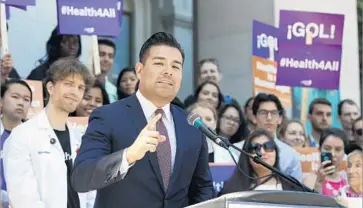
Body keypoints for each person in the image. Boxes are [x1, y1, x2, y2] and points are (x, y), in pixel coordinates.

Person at [71, 32, 214, 208]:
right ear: (139, 70)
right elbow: (81, 177)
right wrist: (128, 155)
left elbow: (202, 188)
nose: (168, 71)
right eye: (159, 63)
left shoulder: (191, 124)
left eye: (176, 67)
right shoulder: (108, 116)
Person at [3, 58, 94, 208]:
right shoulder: (22, 136)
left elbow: (90, 193)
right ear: (50, 87)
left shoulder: (81, 137)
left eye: (80, 87)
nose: (75, 92)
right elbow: (23, 199)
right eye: (68, 84)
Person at [220, 129, 303, 195]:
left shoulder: (291, 186)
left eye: (268, 146)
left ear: (276, 152)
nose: (262, 152)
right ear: (247, 155)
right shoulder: (232, 190)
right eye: (255, 148)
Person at [0, 79, 32, 207]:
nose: (21, 103)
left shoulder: (36, 137)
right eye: (15, 97)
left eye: (26, 99)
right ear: (1, 101)